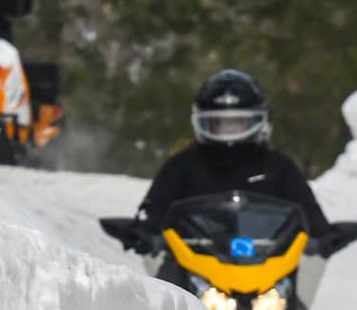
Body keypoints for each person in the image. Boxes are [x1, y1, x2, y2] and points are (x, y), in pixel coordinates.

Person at [136, 69, 330, 237]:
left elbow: (310, 215)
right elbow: (153, 209)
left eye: (237, 123)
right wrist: (142, 231)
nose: (228, 131)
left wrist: (325, 236)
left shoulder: (279, 168)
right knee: (161, 278)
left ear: (257, 121)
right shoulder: (181, 166)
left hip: (269, 266)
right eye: (219, 123)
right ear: (201, 122)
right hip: (189, 265)